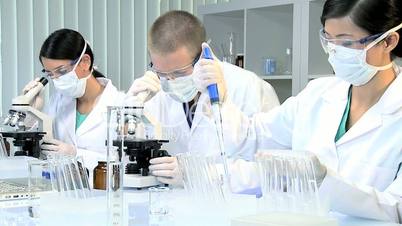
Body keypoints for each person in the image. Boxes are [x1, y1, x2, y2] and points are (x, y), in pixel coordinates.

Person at [195, 0, 402, 222]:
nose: (334, 53)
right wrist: (219, 97)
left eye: (346, 43)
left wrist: (326, 181)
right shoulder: (317, 94)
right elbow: (250, 137)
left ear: (388, 41)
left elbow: (397, 208)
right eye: (328, 40)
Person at [126, 10, 280, 185]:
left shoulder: (249, 87)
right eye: (161, 72)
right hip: (173, 206)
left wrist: (201, 174)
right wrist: (130, 112)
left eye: (179, 72)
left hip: (235, 208)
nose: (170, 80)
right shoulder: (154, 94)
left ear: (203, 55)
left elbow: (273, 170)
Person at [23, 29, 125, 180]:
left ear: (85, 62)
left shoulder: (120, 103)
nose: (56, 79)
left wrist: (76, 154)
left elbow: (124, 164)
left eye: (62, 71)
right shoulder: (58, 100)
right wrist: (31, 114)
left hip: (102, 193)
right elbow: (43, 149)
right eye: (50, 74)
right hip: (64, 194)